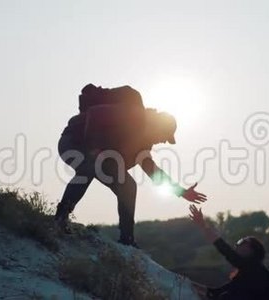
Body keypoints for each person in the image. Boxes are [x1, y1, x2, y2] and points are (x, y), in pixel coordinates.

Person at [55, 84, 207, 247]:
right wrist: (94, 148)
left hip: (101, 155)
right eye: (164, 136)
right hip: (73, 141)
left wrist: (181, 191)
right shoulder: (133, 114)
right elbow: (94, 113)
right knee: (89, 166)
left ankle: (127, 239)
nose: (162, 141)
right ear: (158, 126)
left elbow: (152, 171)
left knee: (128, 185)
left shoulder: (142, 144)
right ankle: (60, 218)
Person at [188, 205, 269, 300]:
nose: (237, 245)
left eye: (242, 242)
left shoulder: (254, 269)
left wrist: (203, 226)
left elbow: (225, 249)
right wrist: (186, 283)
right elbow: (213, 294)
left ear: (252, 250)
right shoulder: (244, 276)